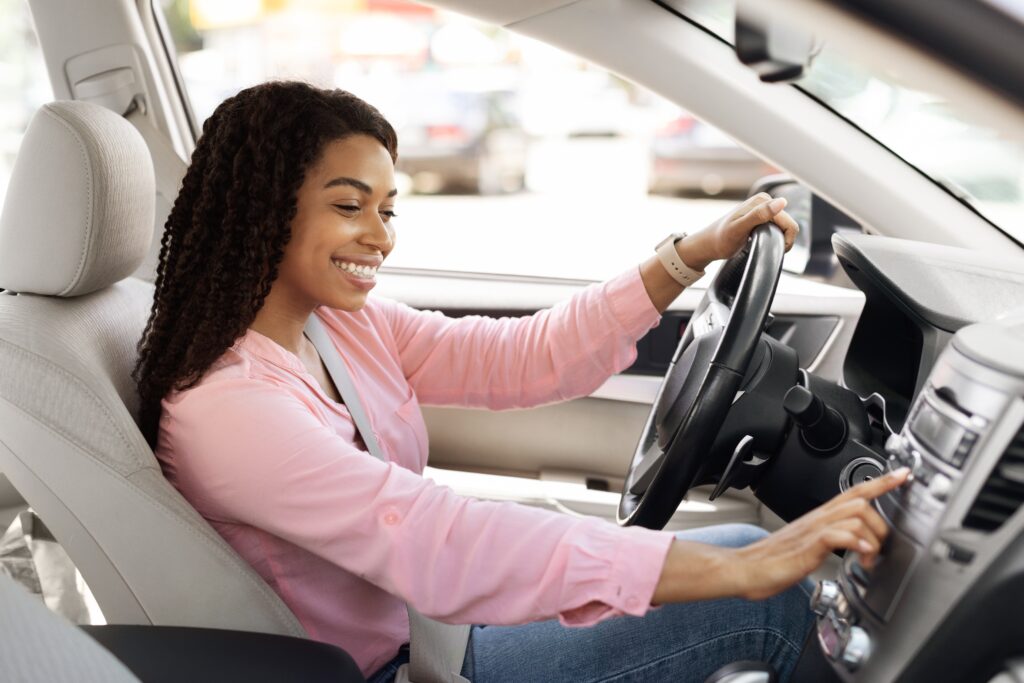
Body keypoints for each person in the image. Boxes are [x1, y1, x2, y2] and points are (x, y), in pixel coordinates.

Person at [133, 81, 908, 683]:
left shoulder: (336, 326)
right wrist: (736, 569)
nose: (381, 236)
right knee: (766, 590)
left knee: (745, 552)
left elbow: (519, 356)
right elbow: (435, 535)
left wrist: (688, 254)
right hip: (414, 664)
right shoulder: (229, 410)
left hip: (442, 625)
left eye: (389, 208)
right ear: (267, 212)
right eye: (349, 206)